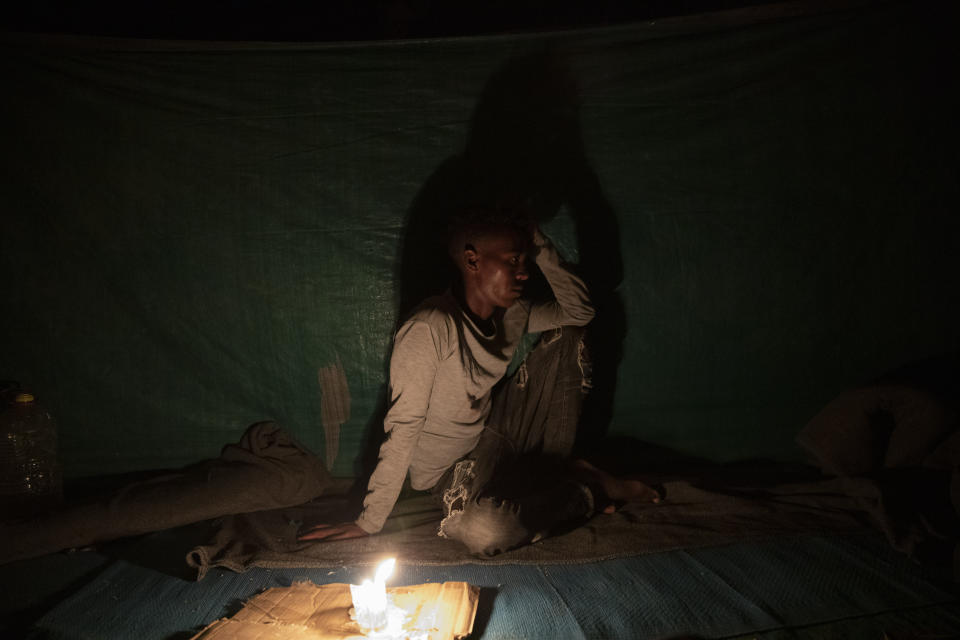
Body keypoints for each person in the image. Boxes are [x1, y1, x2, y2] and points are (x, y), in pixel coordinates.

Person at [299, 208, 658, 555]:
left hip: (496, 437)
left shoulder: (513, 314)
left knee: (571, 333)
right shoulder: (430, 327)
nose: (524, 273)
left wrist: (539, 244)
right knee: (484, 531)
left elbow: (581, 312)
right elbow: (404, 426)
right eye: (513, 261)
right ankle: (585, 488)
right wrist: (370, 521)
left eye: (524, 260)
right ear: (473, 261)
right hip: (448, 472)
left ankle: (558, 471)